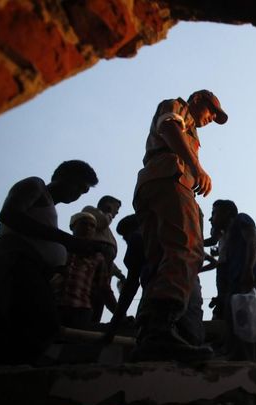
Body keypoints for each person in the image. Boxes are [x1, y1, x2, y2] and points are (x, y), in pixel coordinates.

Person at [132, 89, 227, 360]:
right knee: (186, 248)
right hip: (171, 179)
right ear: (197, 100)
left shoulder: (192, 128)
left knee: (160, 258)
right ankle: (161, 329)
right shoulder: (179, 107)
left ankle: (149, 332)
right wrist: (195, 167)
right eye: (211, 111)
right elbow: (170, 127)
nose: (211, 118)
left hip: (152, 182)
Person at [0, 160, 99, 365]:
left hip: (32, 269)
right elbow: (9, 214)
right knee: (41, 324)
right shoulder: (35, 185)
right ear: (63, 176)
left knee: (28, 325)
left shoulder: (49, 209)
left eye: (83, 191)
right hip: (15, 263)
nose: (77, 194)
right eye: (78, 186)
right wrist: (66, 240)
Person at [102, 214, 205, 347]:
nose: (126, 241)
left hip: (166, 299)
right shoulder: (174, 239)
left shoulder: (137, 238)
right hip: (190, 296)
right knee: (191, 338)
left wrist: (112, 329)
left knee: (152, 342)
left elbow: (131, 286)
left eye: (125, 238)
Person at [210, 200, 256, 360]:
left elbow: (253, 243)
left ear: (226, 213)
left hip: (249, 282)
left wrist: (248, 270)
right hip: (237, 285)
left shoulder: (241, 219)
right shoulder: (228, 236)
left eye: (214, 213)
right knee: (239, 330)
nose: (211, 218)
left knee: (253, 327)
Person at [55, 212, 112, 330]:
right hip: (54, 305)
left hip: (81, 310)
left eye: (92, 226)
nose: (88, 228)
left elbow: (104, 289)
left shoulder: (97, 256)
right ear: (72, 226)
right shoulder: (59, 247)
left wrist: (119, 315)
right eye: (84, 223)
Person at [83, 195, 125, 322]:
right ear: (108, 204)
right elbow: (101, 221)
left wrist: (119, 274)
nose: (117, 212)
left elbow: (109, 258)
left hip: (103, 270)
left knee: (100, 299)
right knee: (89, 295)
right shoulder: (90, 211)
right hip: (89, 267)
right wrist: (108, 213)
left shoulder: (107, 232)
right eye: (116, 208)